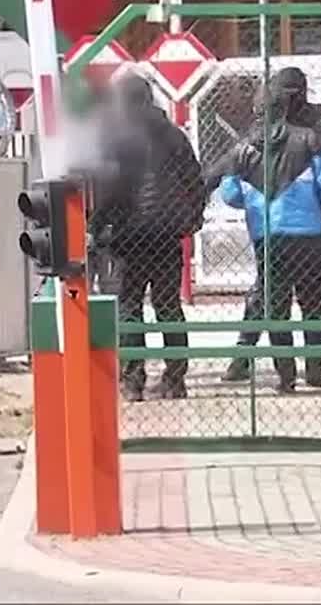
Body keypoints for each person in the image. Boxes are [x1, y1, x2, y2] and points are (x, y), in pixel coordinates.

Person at [214, 68, 321, 385]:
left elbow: (230, 194)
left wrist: (257, 203)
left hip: (268, 234)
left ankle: (286, 376)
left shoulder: (244, 147)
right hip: (312, 233)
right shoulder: (311, 137)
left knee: (275, 306)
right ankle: (315, 369)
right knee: (313, 301)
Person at [91, 75, 206, 401]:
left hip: (128, 235)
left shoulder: (116, 137)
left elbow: (111, 189)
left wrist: (96, 225)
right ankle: (175, 379)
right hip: (167, 233)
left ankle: (133, 380)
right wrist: (192, 219)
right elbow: (194, 180)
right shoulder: (173, 135)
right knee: (169, 306)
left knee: (129, 307)